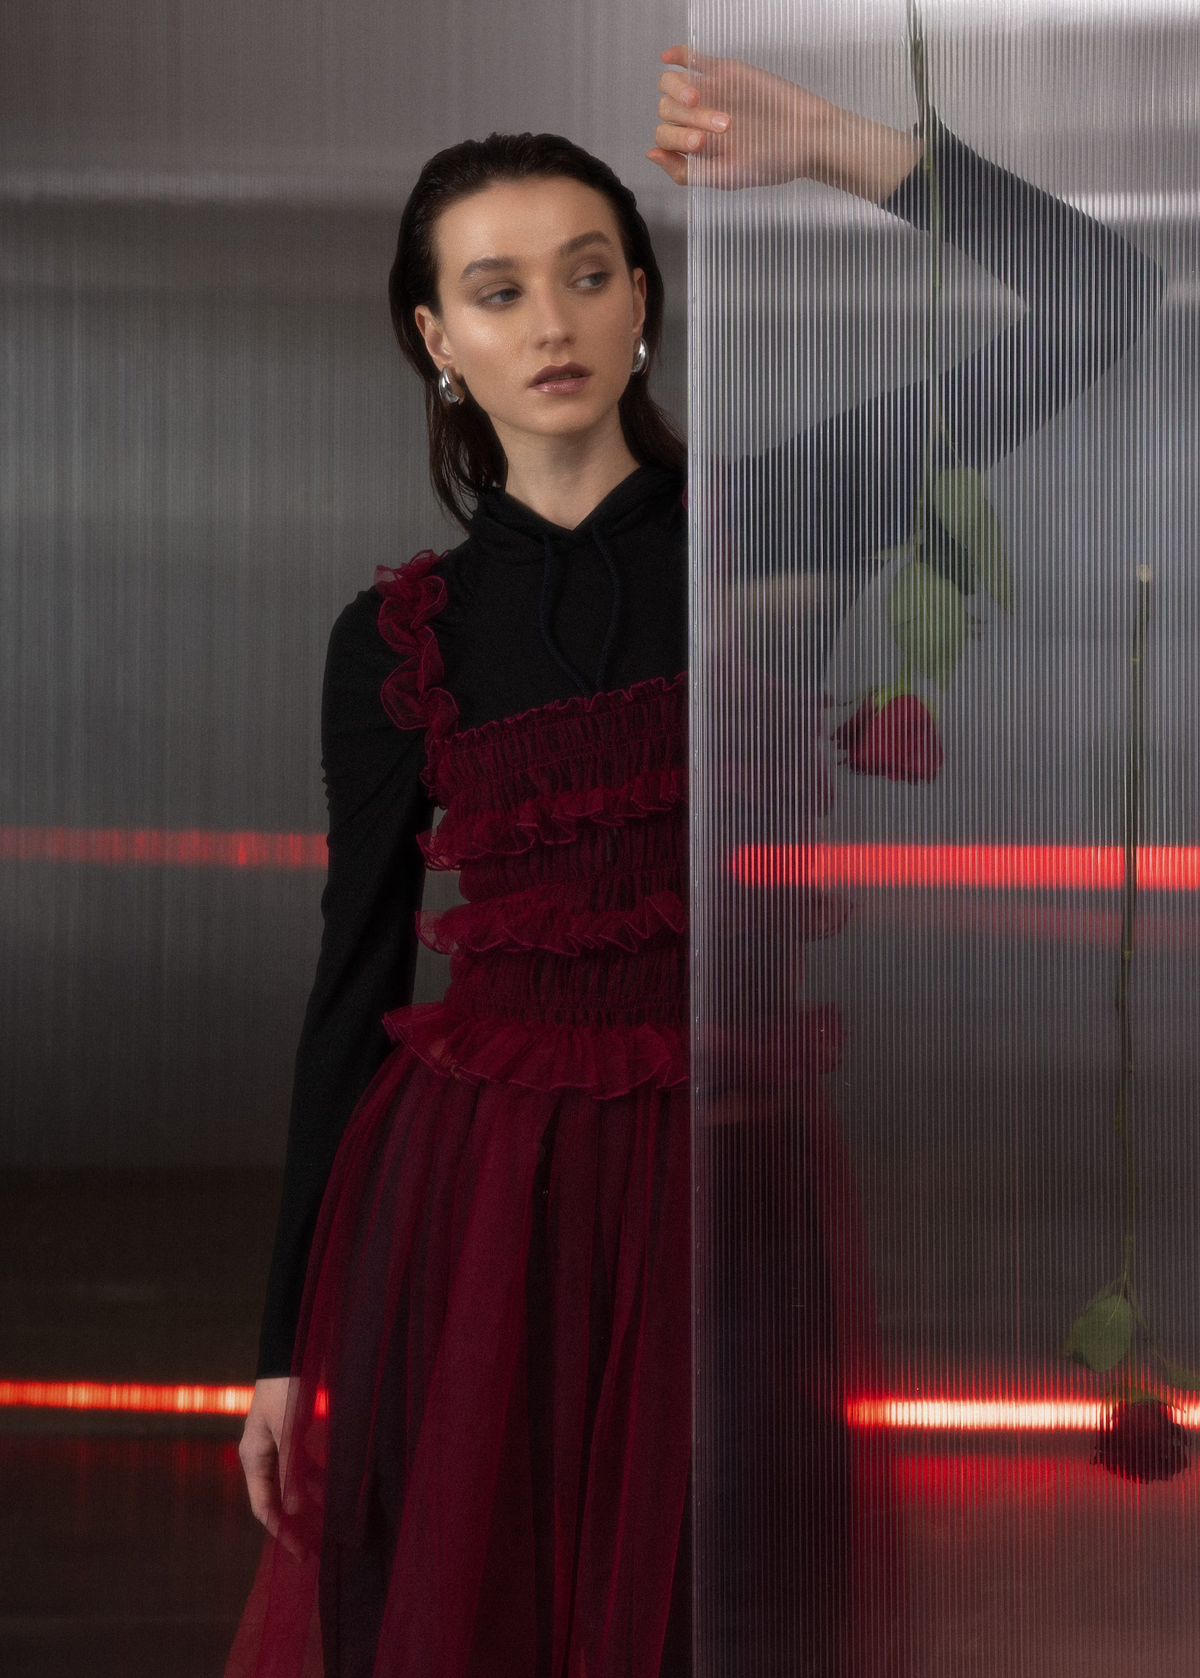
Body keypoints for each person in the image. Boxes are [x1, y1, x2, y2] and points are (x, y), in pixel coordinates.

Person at [225, 44, 1163, 1678]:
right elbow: (352, 980)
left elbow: (1103, 297)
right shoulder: (395, 641)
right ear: (438, 342)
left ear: (643, 301)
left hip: (727, 1180)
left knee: (713, 1619)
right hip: (473, 1199)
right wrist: (279, 1348)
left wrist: (833, 148)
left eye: (591, 274)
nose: (556, 321)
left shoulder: (771, 518)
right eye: (502, 291)